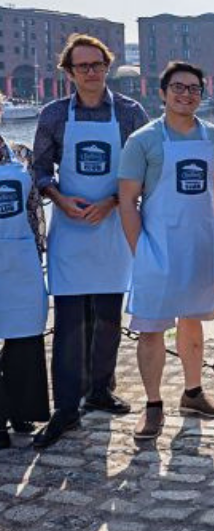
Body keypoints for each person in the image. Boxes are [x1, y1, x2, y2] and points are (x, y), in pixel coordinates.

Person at [32, 34, 148, 449]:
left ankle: (99, 390)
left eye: (98, 64)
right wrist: (59, 198)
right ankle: (65, 408)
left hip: (114, 226)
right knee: (68, 323)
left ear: (107, 66)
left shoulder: (131, 113)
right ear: (69, 72)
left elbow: (146, 169)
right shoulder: (53, 114)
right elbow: (40, 170)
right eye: (83, 66)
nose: (92, 72)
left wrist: (115, 201)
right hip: (71, 227)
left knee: (107, 318)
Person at [118, 61, 214, 440]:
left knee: (193, 322)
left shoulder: (213, 137)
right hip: (157, 247)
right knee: (151, 329)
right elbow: (127, 201)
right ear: (163, 93)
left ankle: (194, 392)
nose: (187, 94)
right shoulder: (143, 140)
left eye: (194, 89)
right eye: (179, 88)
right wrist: (141, 251)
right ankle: (152, 405)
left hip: (199, 245)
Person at [0, 91, 49, 448]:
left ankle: (20, 409)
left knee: (24, 338)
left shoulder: (21, 154)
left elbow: (34, 211)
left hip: (21, 260)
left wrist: (38, 253)